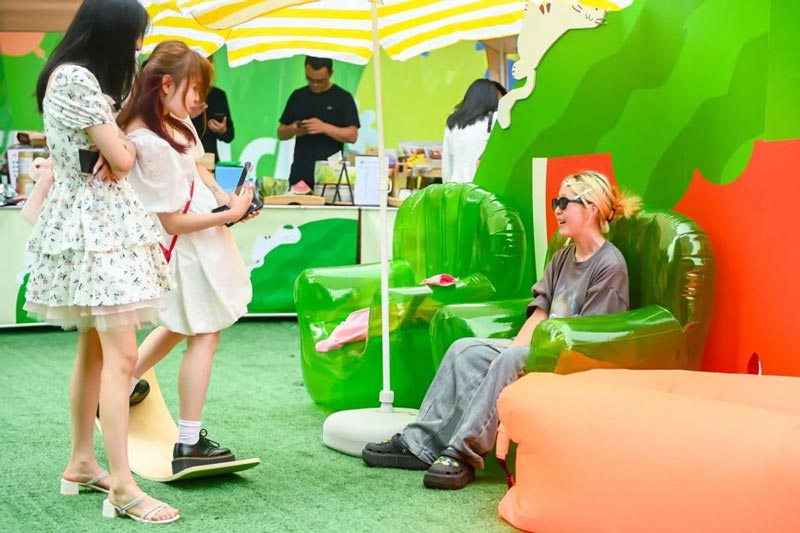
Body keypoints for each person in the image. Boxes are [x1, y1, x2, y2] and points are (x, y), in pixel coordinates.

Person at [363, 170, 642, 490]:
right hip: (540, 348)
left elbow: (590, 340)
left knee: (510, 360)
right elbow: (540, 313)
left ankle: (463, 453)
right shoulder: (563, 257)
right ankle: (420, 444)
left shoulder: (610, 265)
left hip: (570, 359)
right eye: (555, 202)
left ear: (591, 208)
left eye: (565, 202)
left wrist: (513, 358)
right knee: (465, 350)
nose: (557, 210)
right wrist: (511, 351)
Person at [27, 0, 179, 523]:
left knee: (95, 350)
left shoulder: (73, 75)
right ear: (113, 33)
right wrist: (121, 151)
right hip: (95, 227)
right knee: (120, 357)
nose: (138, 48)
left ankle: (82, 463)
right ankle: (122, 487)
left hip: (93, 224)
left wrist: (118, 148)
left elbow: (116, 151)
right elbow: (122, 157)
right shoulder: (77, 79)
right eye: (136, 38)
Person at [118, 40, 255, 475]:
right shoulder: (147, 140)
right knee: (205, 331)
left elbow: (199, 168)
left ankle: (121, 388)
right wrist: (228, 213)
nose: (201, 100)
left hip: (202, 239)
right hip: (185, 248)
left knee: (182, 324)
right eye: (196, 89)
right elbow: (171, 221)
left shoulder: (174, 120)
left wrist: (224, 198)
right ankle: (189, 442)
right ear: (165, 84)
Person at [277, 56, 360, 190]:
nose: (315, 84)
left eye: (320, 81)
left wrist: (324, 127)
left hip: (331, 175)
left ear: (331, 74)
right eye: (310, 79)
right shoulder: (298, 96)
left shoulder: (343, 98)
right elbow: (281, 133)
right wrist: (293, 129)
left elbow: (352, 135)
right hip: (300, 173)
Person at [441, 79, 506, 184]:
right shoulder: (495, 119)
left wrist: (447, 187)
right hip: (482, 187)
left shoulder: (453, 122)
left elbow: (447, 162)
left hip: (458, 187)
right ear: (490, 98)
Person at [190, 54, 234, 163]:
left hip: (209, 160)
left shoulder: (218, 95)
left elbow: (230, 135)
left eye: (209, 62)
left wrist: (222, 130)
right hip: (186, 159)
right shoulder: (182, 94)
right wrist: (190, 117)